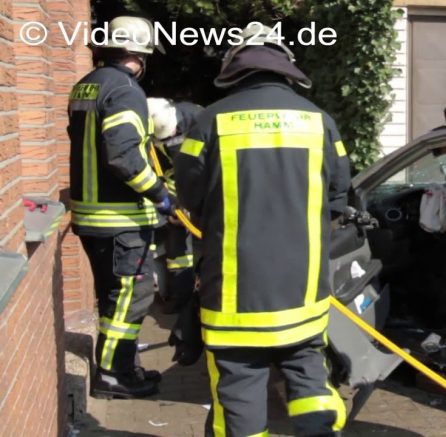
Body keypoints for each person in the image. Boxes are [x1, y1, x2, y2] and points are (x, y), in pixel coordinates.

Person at [174, 23, 351, 437]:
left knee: (239, 388)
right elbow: (339, 197)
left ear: (234, 67)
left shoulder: (209, 121)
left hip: (233, 295)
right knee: (310, 378)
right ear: (286, 66)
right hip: (303, 293)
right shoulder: (321, 122)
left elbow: (189, 196)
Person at [67, 16, 173, 399]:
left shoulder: (85, 85)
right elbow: (123, 156)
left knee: (114, 298)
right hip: (120, 220)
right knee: (130, 299)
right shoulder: (126, 91)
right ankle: (114, 376)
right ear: (137, 54)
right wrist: (159, 193)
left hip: (92, 218)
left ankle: (124, 368)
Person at [147, 97, 203, 314]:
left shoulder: (200, 120)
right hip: (175, 193)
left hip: (202, 188)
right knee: (178, 251)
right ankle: (181, 299)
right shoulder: (150, 136)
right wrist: (174, 204)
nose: (171, 140)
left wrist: (195, 201)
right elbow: (161, 171)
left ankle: (204, 295)